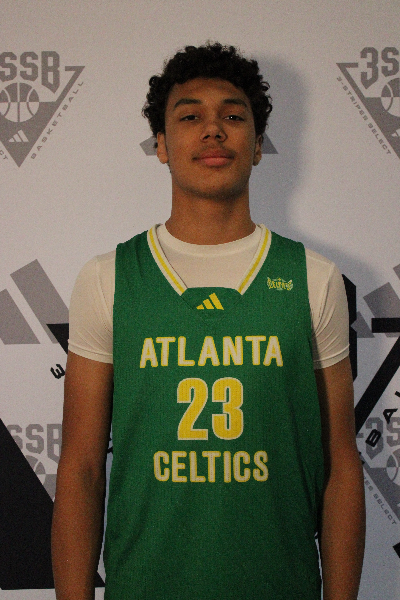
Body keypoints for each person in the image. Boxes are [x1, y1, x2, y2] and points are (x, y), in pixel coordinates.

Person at [52, 42, 365, 600]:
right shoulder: (109, 278)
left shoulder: (312, 279)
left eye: (233, 117)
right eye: (190, 116)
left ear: (258, 146)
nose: (213, 129)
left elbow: (340, 465)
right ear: (161, 145)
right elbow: (81, 469)